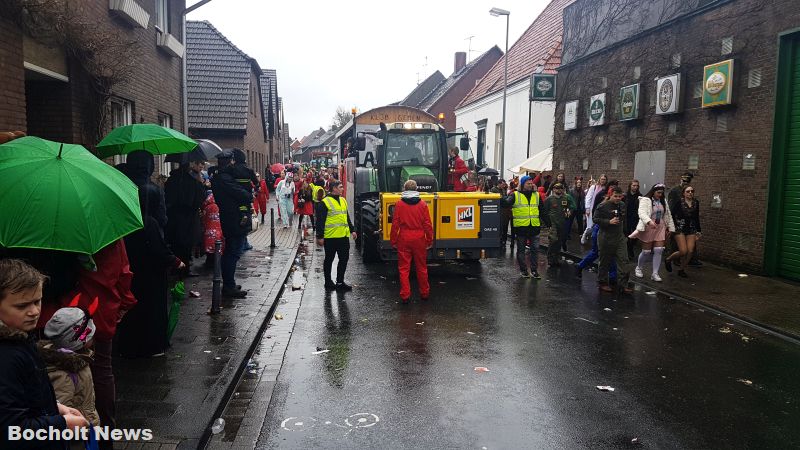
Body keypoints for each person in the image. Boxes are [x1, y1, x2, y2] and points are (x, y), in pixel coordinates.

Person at [0, 259, 89, 449]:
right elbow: (12, 430)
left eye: (37, 301)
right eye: (21, 306)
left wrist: (55, 407)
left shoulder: (20, 338)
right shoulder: (6, 357)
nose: (34, 311)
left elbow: (26, 397)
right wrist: (62, 424)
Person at [118, 152, 185, 357]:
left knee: (130, 304)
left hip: (127, 261)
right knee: (152, 305)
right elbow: (162, 226)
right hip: (151, 268)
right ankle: (152, 345)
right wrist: (175, 261)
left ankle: (127, 344)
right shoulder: (151, 206)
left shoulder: (121, 187)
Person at [39, 307, 101, 427]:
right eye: (91, 334)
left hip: (85, 425)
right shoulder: (64, 374)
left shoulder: (79, 360)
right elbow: (62, 411)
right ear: (78, 340)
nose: (93, 337)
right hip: (77, 432)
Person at [211, 152, 252, 299]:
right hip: (233, 218)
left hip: (230, 217)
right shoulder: (224, 179)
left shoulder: (221, 177)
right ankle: (228, 286)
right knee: (233, 252)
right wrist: (248, 194)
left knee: (232, 251)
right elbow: (244, 195)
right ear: (229, 162)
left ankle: (230, 283)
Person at [390, 180, 433, 303]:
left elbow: (395, 224)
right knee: (422, 268)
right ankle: (424, 293)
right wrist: (429, 240)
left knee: (404, 269)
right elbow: (427, 225)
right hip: (419, 238)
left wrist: (393, 241)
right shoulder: (423, 205)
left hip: (404, 237)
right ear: (416, 189)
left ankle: (405, 296)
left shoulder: (399, 204)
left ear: (404, 189)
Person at [164, 160, 206, 275]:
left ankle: (175, 266)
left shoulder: (172, 179)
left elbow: (167, 195)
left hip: (173, 216)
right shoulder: (193, 180)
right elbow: (200, 199)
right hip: (189, 218)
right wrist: (201, 184)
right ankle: (184, 269)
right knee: (186, 244)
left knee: (175, 242)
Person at [315, 181, 358, 291]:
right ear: (334, 188)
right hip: (330, 238)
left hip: (343, 236)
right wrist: (320, 236)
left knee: (344, 259)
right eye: (340, 187)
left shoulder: (343, 200)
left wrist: (352, 230)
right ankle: (328, 282)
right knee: (329, 259)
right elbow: (320, 220)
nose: (342, 189)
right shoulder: (324, 202)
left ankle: (340, 282)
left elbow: (346, 217)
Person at [630, 183, 674, 282]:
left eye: (662, 193)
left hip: (660, 227)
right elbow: (642, 213)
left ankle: (655, 273)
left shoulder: (663, 201)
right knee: (646, 252)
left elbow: (668, 215)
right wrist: (649, 221)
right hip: (649, 226)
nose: (660, 195)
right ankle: (639, 268)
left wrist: (670, 227)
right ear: (653, 192)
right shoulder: (646, 200)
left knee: (659, 250)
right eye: (658, 192)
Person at [501, 175, 542, 279]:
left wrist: (549, 223)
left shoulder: (536, 195)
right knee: (521, 250)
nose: (530, 185)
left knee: (535, 250)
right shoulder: (515, 195)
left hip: (534, 227)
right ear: (523, 184)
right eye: (528, 183)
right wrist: (499, 197)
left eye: (531, 183)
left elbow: (542, 210)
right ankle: (524, 270)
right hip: (521, 228)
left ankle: (534, 270)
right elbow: (506, 203)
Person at [594, 186, 633, 293]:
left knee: (624, 260)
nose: (618, 198)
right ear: (610, 195)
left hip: (619, 237)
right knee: (604, 261)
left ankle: (623, 284)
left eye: (620, 196)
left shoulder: (622, 205)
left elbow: (623, 219)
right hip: (606, 237)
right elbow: (595, 219)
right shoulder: (602, 206)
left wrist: (626, 234)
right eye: (615, 196)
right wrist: (608, 222)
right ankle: (602, 282)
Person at [666, 185, 701, 278]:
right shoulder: (679, 203)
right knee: (683, 251)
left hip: (691, 228)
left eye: (692, 191)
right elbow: (672, 215)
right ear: (683, 193)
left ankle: (681, 269)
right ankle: (668, 259)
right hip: (680, 228)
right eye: (688, 191)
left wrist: (699, 231)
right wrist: (671, 227)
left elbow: (697, 217)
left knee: (690, 251)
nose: (690, 193)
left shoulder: (696, 203)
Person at [541, 182, 576, 267]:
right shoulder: (549, 199)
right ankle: (550, 259)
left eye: (560, 188)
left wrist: (568, 213)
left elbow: (570, 207)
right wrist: (547, 223)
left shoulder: (565, 198)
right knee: (553, 240)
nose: (559, 190)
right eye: (557, 188)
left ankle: (556, 259)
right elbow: (544, 211)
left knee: (559, 241)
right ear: (553, 189)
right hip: (553, 223)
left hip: (562, 222)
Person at [581, 174, 607, 244]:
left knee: (596, 226)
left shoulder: (606, 189)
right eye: (602, 179)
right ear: (599, 179)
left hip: (601, 210)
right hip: (592, 209)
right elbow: (588, 198)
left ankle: (593, 240)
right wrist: (587, 208)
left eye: (604, 179)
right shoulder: (594, 187)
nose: (603, 181)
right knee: (590, 225)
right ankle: (584, 236)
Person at [623, 179, 643, 259]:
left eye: (637, 186)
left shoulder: (640, 196)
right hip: (627, 217)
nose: (635, 187)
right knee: (627, 234)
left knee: (636, 235)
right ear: (630, 186)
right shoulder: (625, 195)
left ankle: (631, 247)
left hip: (636, 218)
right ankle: (629, 251)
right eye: (633, 185)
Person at [491, 179, 513, 247]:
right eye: (503, 184)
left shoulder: (503, 190)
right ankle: (500, 240)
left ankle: (504, 240)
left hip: (504, 209)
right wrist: (505, 198)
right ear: (499, 184)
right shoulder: (494, 189)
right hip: (498, 209)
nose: (504, 186)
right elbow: (501, 198)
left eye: (504, 184)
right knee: (500, 226)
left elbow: (505, 198)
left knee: (505, 226)